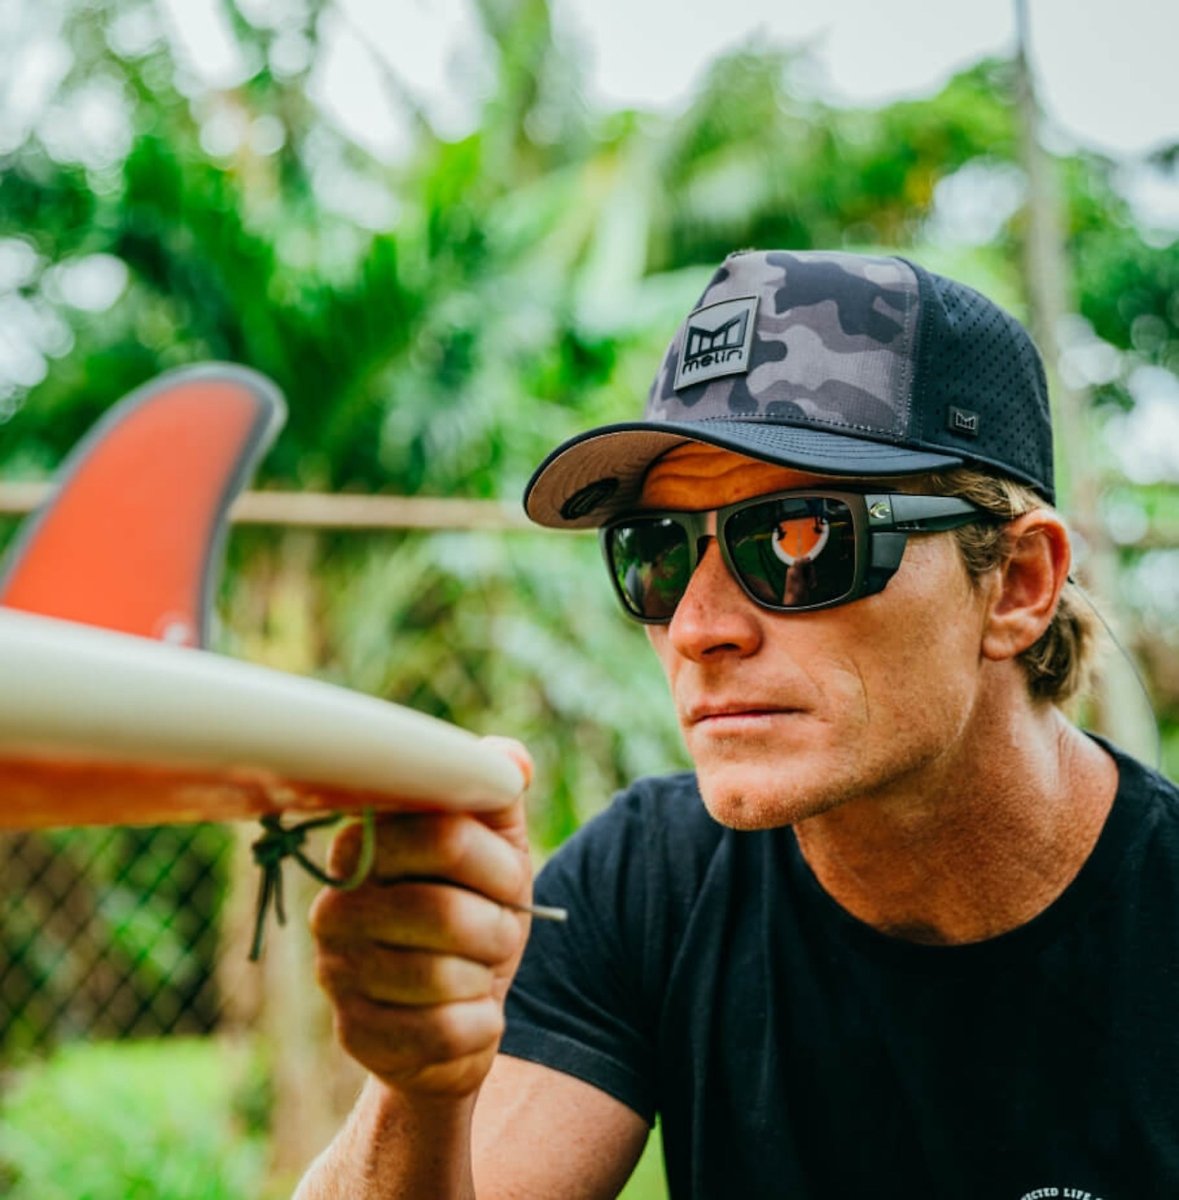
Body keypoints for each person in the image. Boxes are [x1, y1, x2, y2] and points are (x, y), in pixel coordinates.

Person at [295, 250, 1179, 1199]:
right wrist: (419, 1089)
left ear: (1015, 585)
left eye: (802, 538)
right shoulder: (647, 882)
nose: (695, 627)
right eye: (655, 552)